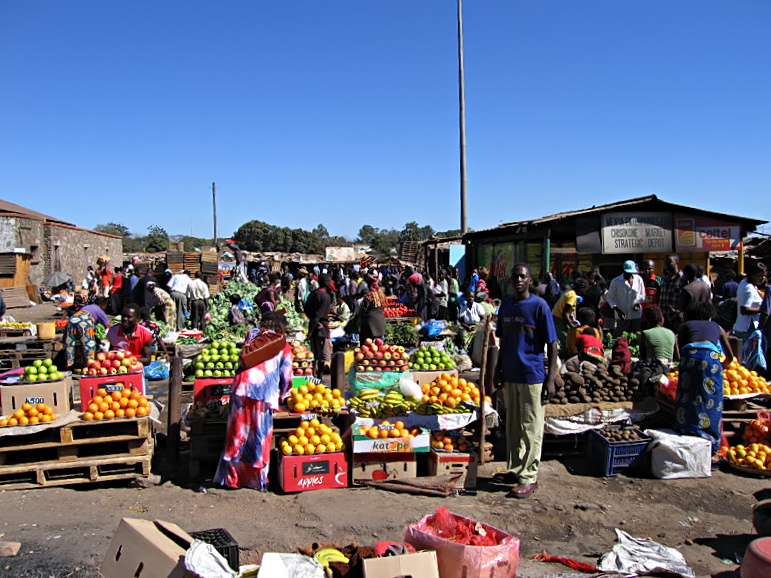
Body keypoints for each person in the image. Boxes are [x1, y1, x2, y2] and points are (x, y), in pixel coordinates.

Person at [494, 264, 558, 499]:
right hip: (510, 375)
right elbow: (502, 342)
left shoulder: (539, 306)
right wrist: (497, 369)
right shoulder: (507, 305)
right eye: (515, 277)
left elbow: (552, 344)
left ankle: (529, 477)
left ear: (530, 280)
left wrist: (550, 379)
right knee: (513, 426)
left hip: (532, 376)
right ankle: (516, 469)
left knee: (531, 427)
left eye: (523, 276)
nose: (518, 280)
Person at [213, 312, 293, 490]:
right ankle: (256, 481)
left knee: (236, 436)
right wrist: (283, 397)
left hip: (240, 390)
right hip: (263, 394)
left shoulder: (252, 334)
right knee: (259, 438)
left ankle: (232, 480)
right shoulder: (283, 345)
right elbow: (287, 376)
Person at [675, 301, 733, 455]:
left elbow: (679, 354)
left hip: (691, 357)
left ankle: (686, 430)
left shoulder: (684, 327)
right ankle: (710, 440)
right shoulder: (717, 327)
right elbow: (730, 356)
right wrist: (722, 367)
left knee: (687, 395)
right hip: (711, 359)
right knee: (711, 397)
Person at [64, 296, 109, 369]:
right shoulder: (99, 310)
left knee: (70, 343)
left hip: (72, 319)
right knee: (88, 344)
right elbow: (107, 326)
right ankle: (91, 365)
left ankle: (70, 364)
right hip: (84, 322)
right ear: (102, 305)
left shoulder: (87, 307)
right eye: (105, 306)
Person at [605, 260, 646, 336]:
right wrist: (617, 310)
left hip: (636, 316)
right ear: (623, 270)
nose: (630, 274)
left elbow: (642, 295)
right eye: (628, 272)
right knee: (622, 339)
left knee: (635, 338)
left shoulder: (639, 279)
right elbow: (610, 298)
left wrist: (637, 303)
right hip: (622, 317)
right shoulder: (616, 282)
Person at [304, 274, 332, 378]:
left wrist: (312, 325)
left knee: (314, 354)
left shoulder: (313, 293)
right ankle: (319, 377)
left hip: (313, 325)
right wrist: (315, 325)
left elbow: (307, 310)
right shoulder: (325, 297)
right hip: (321, 328)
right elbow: (318, 314)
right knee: (322, 355)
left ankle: (312, 375)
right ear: (325, 282)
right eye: (329, 281)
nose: (330, 283)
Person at [552, 277, 588, 357]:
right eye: (584, 289)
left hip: (558, 317)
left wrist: (572, 321)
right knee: (565, 339)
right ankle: (564, 358)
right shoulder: (572, 296)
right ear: (581, 288)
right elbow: (564, 313)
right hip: (558, 318)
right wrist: (571, 326)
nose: (584, 292)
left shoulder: (570, 291)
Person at [733, 261, 767, 342]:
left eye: (764, 276)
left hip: (744, 326)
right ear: (752, 275)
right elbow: (744, 310)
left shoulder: (745, 283)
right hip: (747, 328)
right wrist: (763, 309)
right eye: (759, 276)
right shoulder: (748, 288)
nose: (762, 278)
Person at [358, 273, 387, 342]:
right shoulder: (382, 294)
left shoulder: (369, 295)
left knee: (369, 343)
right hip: (381, 319)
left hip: (371, 321)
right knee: (379, 343)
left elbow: (365, 309)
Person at [659, 254, 685, 330]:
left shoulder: (682, 279)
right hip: (663, 316)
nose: (666, 264)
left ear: (677, 263)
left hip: (676, 317)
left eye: (669, 262)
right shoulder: (664, 278)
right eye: (665, 262)